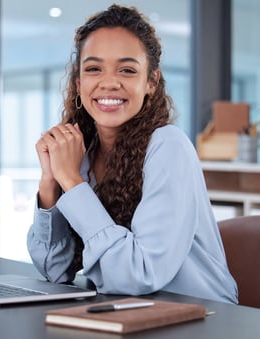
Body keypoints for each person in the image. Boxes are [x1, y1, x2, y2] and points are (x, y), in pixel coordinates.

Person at [27, 4, 238, 304]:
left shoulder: (169, 147)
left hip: (201, 318)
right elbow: (54, 270)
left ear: (151, 82)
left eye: (127, 70)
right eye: (93, 69)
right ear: (78, 83)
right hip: (130, 313)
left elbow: (138, 274)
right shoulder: (82, 154)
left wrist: (72, 183)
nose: (109, 82)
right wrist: (51, 180)